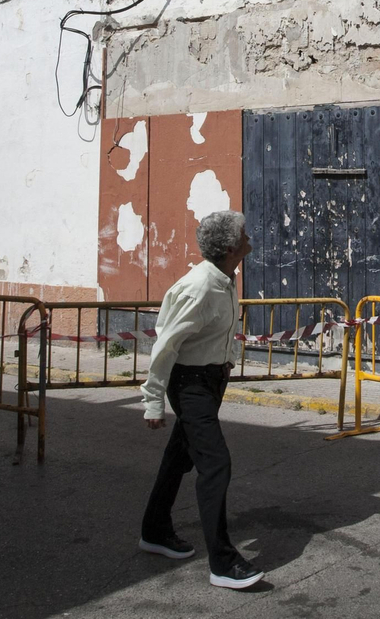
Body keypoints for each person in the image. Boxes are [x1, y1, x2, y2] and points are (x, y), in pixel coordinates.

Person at [138, 210, 265, 590]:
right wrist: (153, 401)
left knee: (180, 457)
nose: (248, 237)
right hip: (190, 383)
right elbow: (166, 344)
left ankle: (155, 530)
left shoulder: (224, 279)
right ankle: (223, 564)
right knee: (215, 464)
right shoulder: (199, 287)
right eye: (243, 234)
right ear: (229, 247)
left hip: (209, 381)